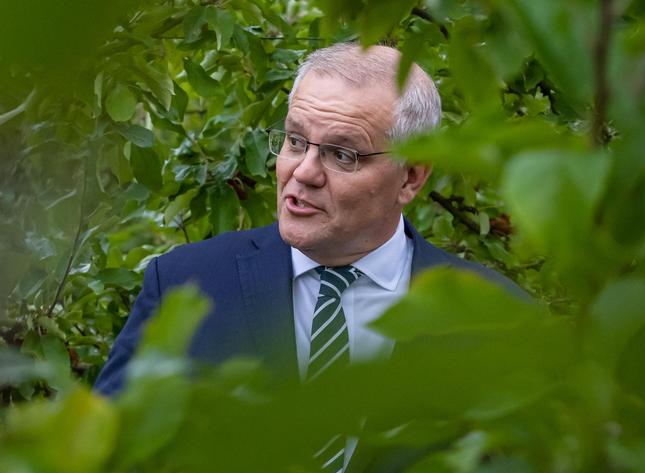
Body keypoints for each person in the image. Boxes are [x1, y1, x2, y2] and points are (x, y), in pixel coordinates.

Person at [95, 42, 519, 402]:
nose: (303, 172)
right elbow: (107, 458)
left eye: (342, 155)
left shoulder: (498, 318)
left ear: (410, 177)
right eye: (296, 141)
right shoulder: (184, 284)